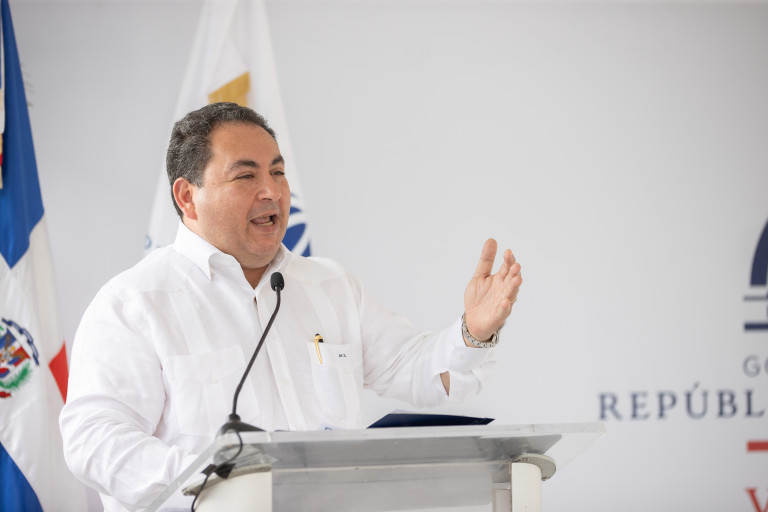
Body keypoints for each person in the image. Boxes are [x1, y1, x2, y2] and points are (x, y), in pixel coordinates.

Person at [59, 102, 522, 512]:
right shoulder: (134, 304)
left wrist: (473, 331)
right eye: (246, 176)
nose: (272, 192)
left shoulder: (330, 285)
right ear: (187, 196)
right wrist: (221, 479)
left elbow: (417, 371)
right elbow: (94, 441)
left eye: (277, 173)